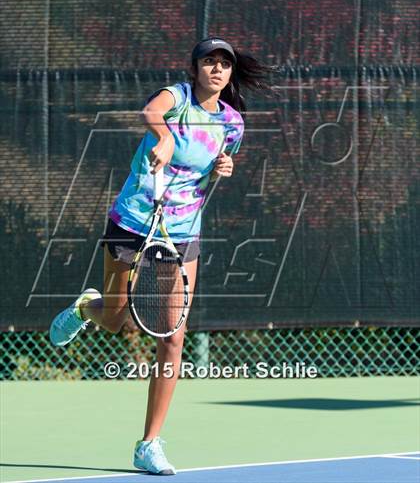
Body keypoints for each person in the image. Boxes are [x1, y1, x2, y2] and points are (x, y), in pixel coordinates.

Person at [49, 37, 274, 476]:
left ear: (230, 74)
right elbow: (150, 113)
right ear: (195, 69)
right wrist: (166, 136)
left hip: (184, 231)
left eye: (224, 64)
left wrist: (225, 166)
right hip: (133, 219)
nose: (217, 69)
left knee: (173, 335)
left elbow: (218, 161)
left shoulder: (232, 122)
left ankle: (149, 444)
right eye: (209, 61)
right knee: (116, 318)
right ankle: (85, 307)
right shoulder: (178, 96)